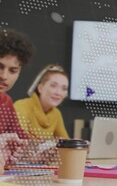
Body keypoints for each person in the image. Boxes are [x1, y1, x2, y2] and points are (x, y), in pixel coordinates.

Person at [0, 28, 35, 173]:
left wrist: (38, 151)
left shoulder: (6, 102)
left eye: (13, 71)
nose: (4, 76)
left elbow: (22, 140)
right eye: (0, 67)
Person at [14, 64, 70, 139]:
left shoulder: (56, 114)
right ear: (40, 88)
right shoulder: (21, 106)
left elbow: (66, 142)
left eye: (64, 88)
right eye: (53, 86)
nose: (58, 92)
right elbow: (20, 140)